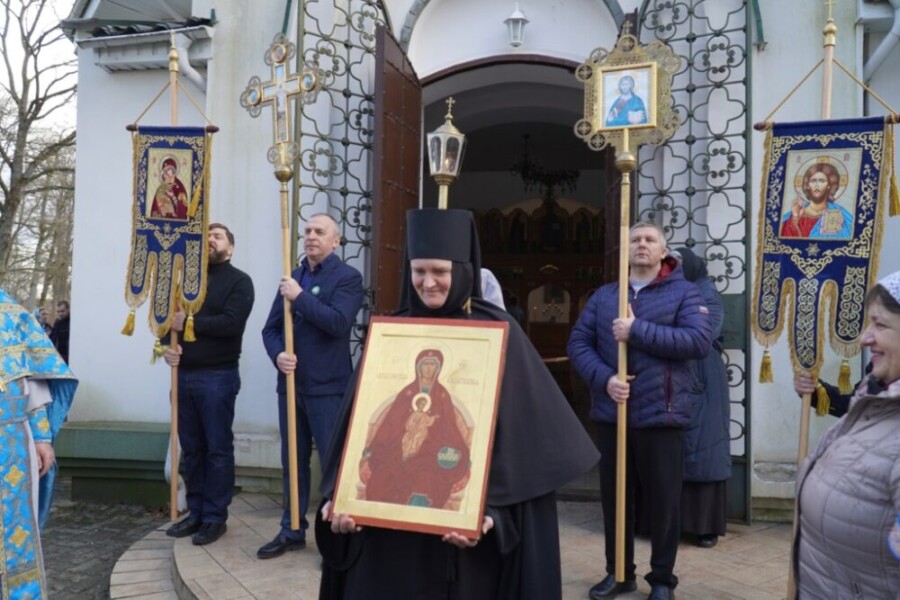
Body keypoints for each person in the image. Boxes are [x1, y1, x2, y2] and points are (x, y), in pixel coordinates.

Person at [317, 208, 599, 600]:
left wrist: (492, 514)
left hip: (462, 548)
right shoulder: (390, 335)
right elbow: (362, 430)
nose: (428, 283)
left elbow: (520, 453)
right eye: (419, 272)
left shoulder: (501, 334)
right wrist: (340, 496)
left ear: (463, 270)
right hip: (386, 542)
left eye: (439, 271)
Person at [568, 221, 712, 600]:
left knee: (664, 503)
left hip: (661, 415)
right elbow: (579, 343)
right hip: (612, 413)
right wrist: (605, 379)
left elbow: (698, 341)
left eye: (650, 240)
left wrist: (637, 330)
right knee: (617, 501)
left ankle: (662, 579)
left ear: (664, 251)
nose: (642, 245)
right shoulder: (605, 296)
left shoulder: (685, 293)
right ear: (625, 250)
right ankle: (619, 573)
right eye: (635, 240)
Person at [258, 213, 364, 559]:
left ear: (335, 241)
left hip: (329, 387)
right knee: (294, 461)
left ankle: (337, 538)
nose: (311, 236)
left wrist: (300, 297)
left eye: (320, 232)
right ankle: (291, 529)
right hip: (291, 386)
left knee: (335, 464)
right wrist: (278, 356)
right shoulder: (295, 276)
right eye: (307, 231)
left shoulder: (347, 278)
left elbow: (337, 323)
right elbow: (270, 329)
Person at [793, 270, 900, 598]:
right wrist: (819, 392)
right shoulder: (877, 386)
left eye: (879, 325)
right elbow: (857, 411)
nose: (865, 338)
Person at [163, 223, 254, 546]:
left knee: (216, 448)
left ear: (230, 247)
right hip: (184, 376)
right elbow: (167, 324)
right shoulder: (185, 283)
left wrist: (188, 322)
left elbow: (231, 323)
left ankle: (216, 517)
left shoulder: (239, 282)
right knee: (192, 448)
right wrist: (167, 349)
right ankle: (197, 511)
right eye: (205, 237)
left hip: (217, 376)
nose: (209, 241)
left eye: (217, 237)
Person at [1, 289, 77, 599]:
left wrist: (42, 438)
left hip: (13, 441)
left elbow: (31, 381)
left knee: (17, 536)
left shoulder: (9, 312)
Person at [671, 247, 731, 548]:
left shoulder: (707, 293)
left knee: (704, 448)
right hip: (673, 373)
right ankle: (668, 522)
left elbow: (703, 333)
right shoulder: (666, 290)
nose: (676, 269)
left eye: (681, 264)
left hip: (703, 378)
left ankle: (704, 525)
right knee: (672, 449)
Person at [360, 348, 471, 508]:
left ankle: (417, 517)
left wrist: (459, 450)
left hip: (429, 451)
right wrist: (375, 445)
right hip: (398, 448)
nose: (428, 368)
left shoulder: (442, 395)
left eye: (432, 365)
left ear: (438, 369)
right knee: (384, 474)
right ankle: (381, 517)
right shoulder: (407, 392)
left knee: (426, 476)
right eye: (425, 364)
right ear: (418, 367)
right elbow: (391, 422)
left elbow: (449, 427)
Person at [780, 162, 853, 239]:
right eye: (813, 181)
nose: (817, 185)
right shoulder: (795, 215)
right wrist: (795, 218)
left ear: (829, 185)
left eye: (822, 181)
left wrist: (841, 228)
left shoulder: (840, 214)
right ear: (807, 185)